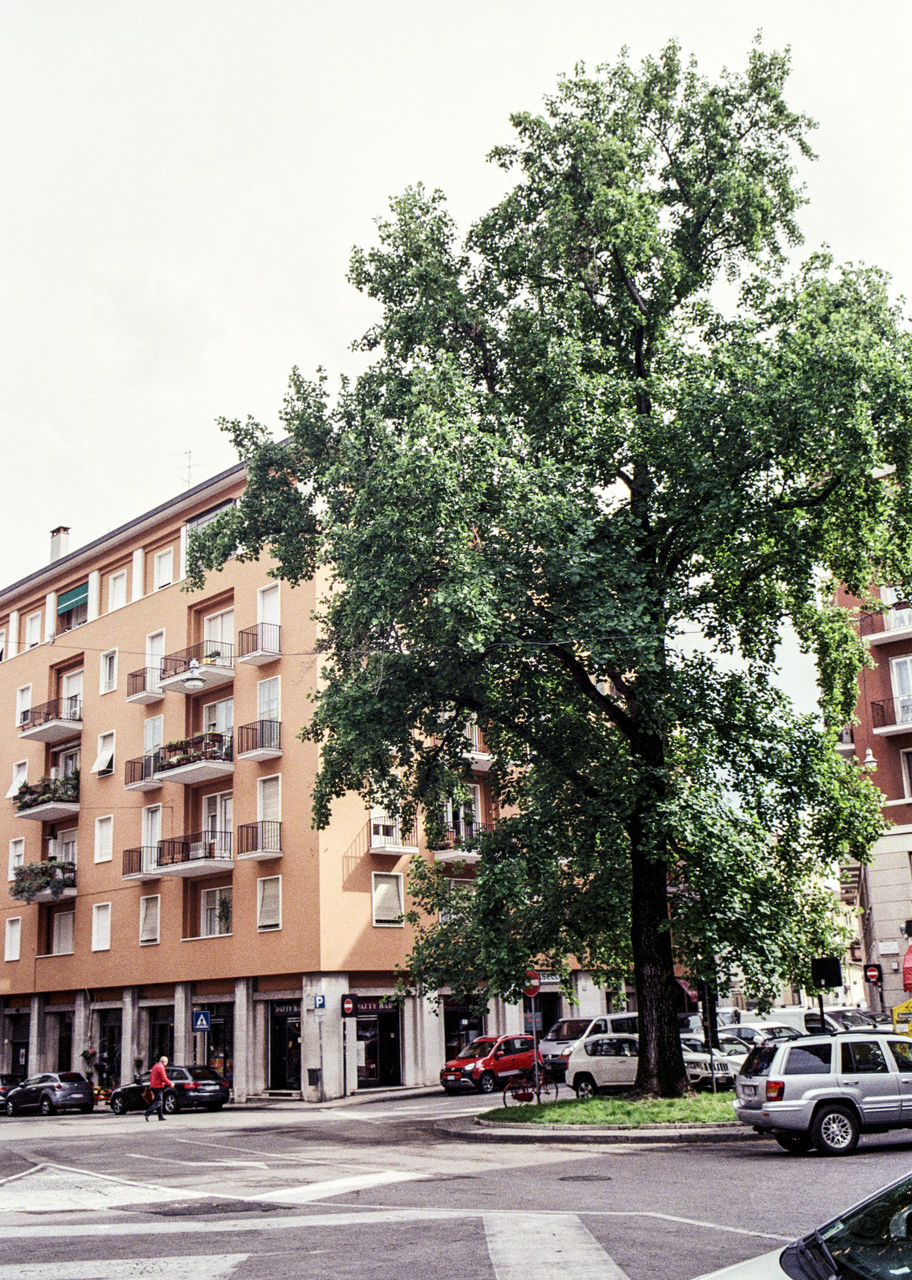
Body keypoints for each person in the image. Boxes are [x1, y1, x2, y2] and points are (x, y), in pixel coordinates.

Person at [143, 1056, 173, 1121]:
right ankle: (147, 1112)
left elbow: (150, 1077)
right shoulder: (161, 1068)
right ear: (164, 1062)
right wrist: (170, 1084)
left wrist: (152, 1083)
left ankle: (160, 1116)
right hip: (158, 1086)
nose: (166, 1064)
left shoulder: (155, 1066)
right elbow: (163, 1078)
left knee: (158, 1101)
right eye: (166, 1062)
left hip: (153, 1086)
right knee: (159, 1101)